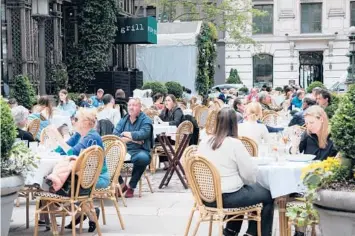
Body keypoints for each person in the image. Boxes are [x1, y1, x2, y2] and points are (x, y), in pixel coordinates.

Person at [197, 108, 274, 236]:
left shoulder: (204, 142)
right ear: (234, 124)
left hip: (206, 197)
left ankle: (231, 231)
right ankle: (253, 233)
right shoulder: (234, 144)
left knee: (244, 190)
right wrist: (246, 182)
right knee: (267, 195)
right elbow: (249, 175)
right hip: (227, 197)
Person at [47, 108, 110, 232]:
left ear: (85, 122)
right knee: (60, 181)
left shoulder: (92, 137)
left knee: (63, 184)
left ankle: (85, 212)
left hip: (97, 177)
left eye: (76, 119)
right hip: (83, 175)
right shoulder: (79, 135)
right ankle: (80, 211)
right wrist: (52, 148)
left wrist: (58, 137)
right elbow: (61, 150)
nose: (73, 121)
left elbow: (73, 153)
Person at [113, 98, 153, 198]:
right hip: (124, 150)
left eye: (134, 105)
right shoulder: (124, 119)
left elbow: (143, 134)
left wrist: (128, 135)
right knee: (107, 158)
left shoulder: (146, 120)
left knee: (143, 158)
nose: (131, 107)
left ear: (140, 107)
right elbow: (115, 134)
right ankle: (122, 185)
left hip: (140, 150)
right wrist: (134, 139)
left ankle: (131, 186)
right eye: (129, 105)